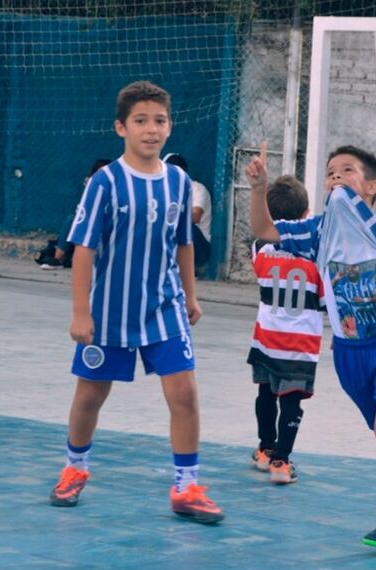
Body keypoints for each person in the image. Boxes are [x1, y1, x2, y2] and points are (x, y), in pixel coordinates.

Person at [245, 127, 376, 548]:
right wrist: (258, 189)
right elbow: (265, 231)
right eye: (330, 173)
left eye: (347, 170)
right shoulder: (316, 233)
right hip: (348, 355)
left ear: (372, 185)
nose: (336, 178)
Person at [48, 81, 224, 524]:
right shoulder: (105, 182)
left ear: (170, 126)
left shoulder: (180, 182)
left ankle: (186, 487)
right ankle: (75, 468)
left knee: (184, 393)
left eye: (159, 121)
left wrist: (190, 295)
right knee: (91, 395)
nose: (151, 129)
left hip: (163, 308)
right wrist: (80, 312)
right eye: (141, 121)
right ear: (121, 128)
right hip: (109, 311)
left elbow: (183, 243)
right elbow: (83, 249)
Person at [247, 175, 322, 485]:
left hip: (266, 338)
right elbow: (324, 299)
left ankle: (265, 449)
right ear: (305, 215)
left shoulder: (260, 248)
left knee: (265, 392)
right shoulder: (316, 256)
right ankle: (281, 461)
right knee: (290, 400)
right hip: (299, 344)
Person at [36, 158, 111, 270]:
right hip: (89, 225)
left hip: (108, 227)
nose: (103, 177)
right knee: (72, 219)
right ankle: (58, 259)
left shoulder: (118, 189)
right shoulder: (92, 187)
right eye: (100, 174)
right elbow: (83, 211)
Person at [163, 153, 212, 272]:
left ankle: (188, 267)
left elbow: (195, 216)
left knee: (182, 225)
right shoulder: (164, 190)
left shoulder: (197, 188)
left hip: (200, 244)